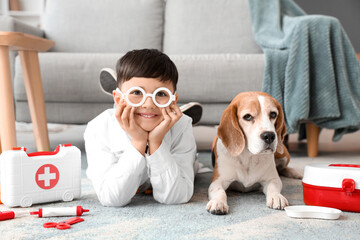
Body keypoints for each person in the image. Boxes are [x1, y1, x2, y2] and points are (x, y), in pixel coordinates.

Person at [84, 49, 201, 207]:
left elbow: (176, 196)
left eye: (160, 94)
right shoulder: (98, 128)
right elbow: (112, 198)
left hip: (175, 137)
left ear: (174, 100)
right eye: (137, 92)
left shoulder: (182, 125)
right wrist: (138, 142)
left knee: (193, 166)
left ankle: (146, 98)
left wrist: (156, 142)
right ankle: (133, 94)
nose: (148, 104)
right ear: (118, 98)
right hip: (128, 111)